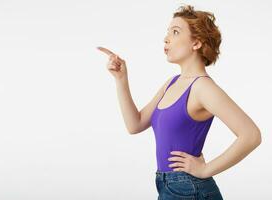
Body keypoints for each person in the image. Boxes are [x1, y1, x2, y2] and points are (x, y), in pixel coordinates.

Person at [97, 4, 261, 200]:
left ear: (197, 43)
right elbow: (135, 124)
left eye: (175, 32)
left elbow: (251, 135)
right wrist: (121, 79)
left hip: (188, 187)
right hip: (168, 184)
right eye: (167, 32)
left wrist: (205, 169)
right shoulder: (172, 83)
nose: (166, 38)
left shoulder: (203, 87)